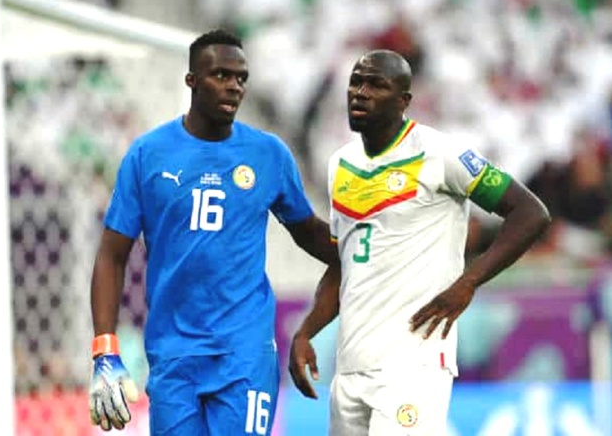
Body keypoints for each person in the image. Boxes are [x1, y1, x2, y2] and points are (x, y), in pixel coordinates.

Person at [88, 29, 338, 435]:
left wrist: (365, 252)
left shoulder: (268, 154)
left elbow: (308, 232)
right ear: (191, 80)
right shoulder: (147, 155)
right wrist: (104, 349)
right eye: (221, 75)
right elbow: (111, 254)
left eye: (241, 78)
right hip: (173, 356)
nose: (234, 86)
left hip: (244, 352)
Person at [288, 50, 551, 435]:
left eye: (376, 85)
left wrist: (468, 282)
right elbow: (347, 260)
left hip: (412, 363)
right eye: (356, 82)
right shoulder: (341, 164)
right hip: (351, 365)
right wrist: (307, 331)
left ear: (403, 101)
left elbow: (530, 212)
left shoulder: (439, 153)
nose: (361, 92)